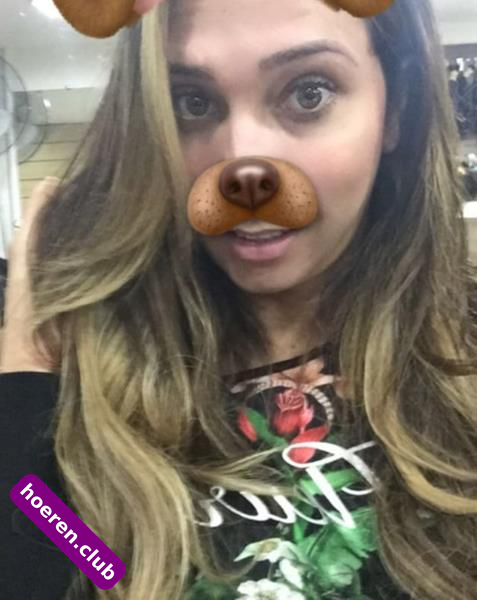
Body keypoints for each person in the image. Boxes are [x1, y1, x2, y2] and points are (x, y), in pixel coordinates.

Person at [1, 0, 477, 599]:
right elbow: (90, 571)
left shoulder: (463, 364)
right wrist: (24, 371)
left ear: (396, 110)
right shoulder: (100, 375)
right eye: (191, 103)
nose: (240, 166)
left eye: (308, 93)